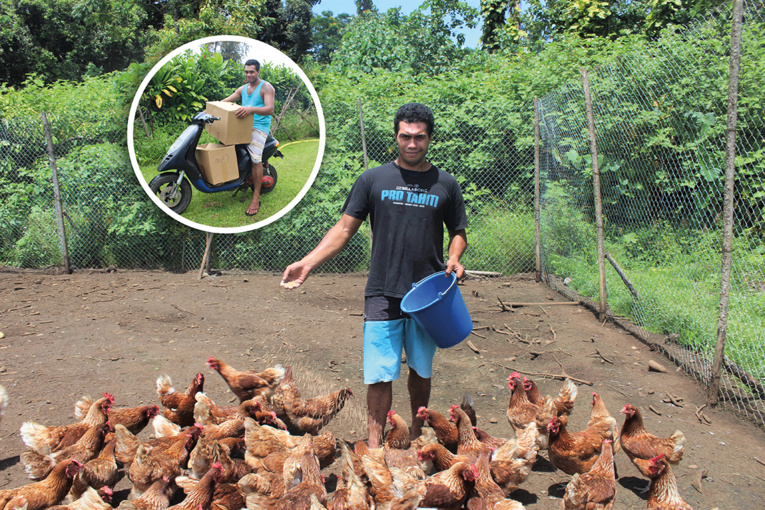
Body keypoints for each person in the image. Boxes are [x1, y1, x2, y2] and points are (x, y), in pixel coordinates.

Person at [281, 102, 468, 447]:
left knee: (421, 368)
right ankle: (374, 441)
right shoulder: (373, 179)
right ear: (396, 136)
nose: (412, 144)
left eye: (419, 137)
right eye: (405, 136)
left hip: (427, 294)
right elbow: (344, 228)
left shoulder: (446, 184)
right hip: (382, 288)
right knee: (379, 372)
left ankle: (416, 432)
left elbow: (459, 232)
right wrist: (309, 262)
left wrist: (454, 257)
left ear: (430, 138)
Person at [221, 59, 275, 217]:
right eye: (246, 71)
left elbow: (270, 109)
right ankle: (230, 178)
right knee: (223, 143)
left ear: (258, 72)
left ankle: (256, 197)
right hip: (243, 125)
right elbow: (225, 101)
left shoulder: (266, 87)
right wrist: (208, 110)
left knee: (255, 159)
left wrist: (250, 109)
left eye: (252, 71)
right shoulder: (243, 89)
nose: (248, 74)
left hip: (259, 127)